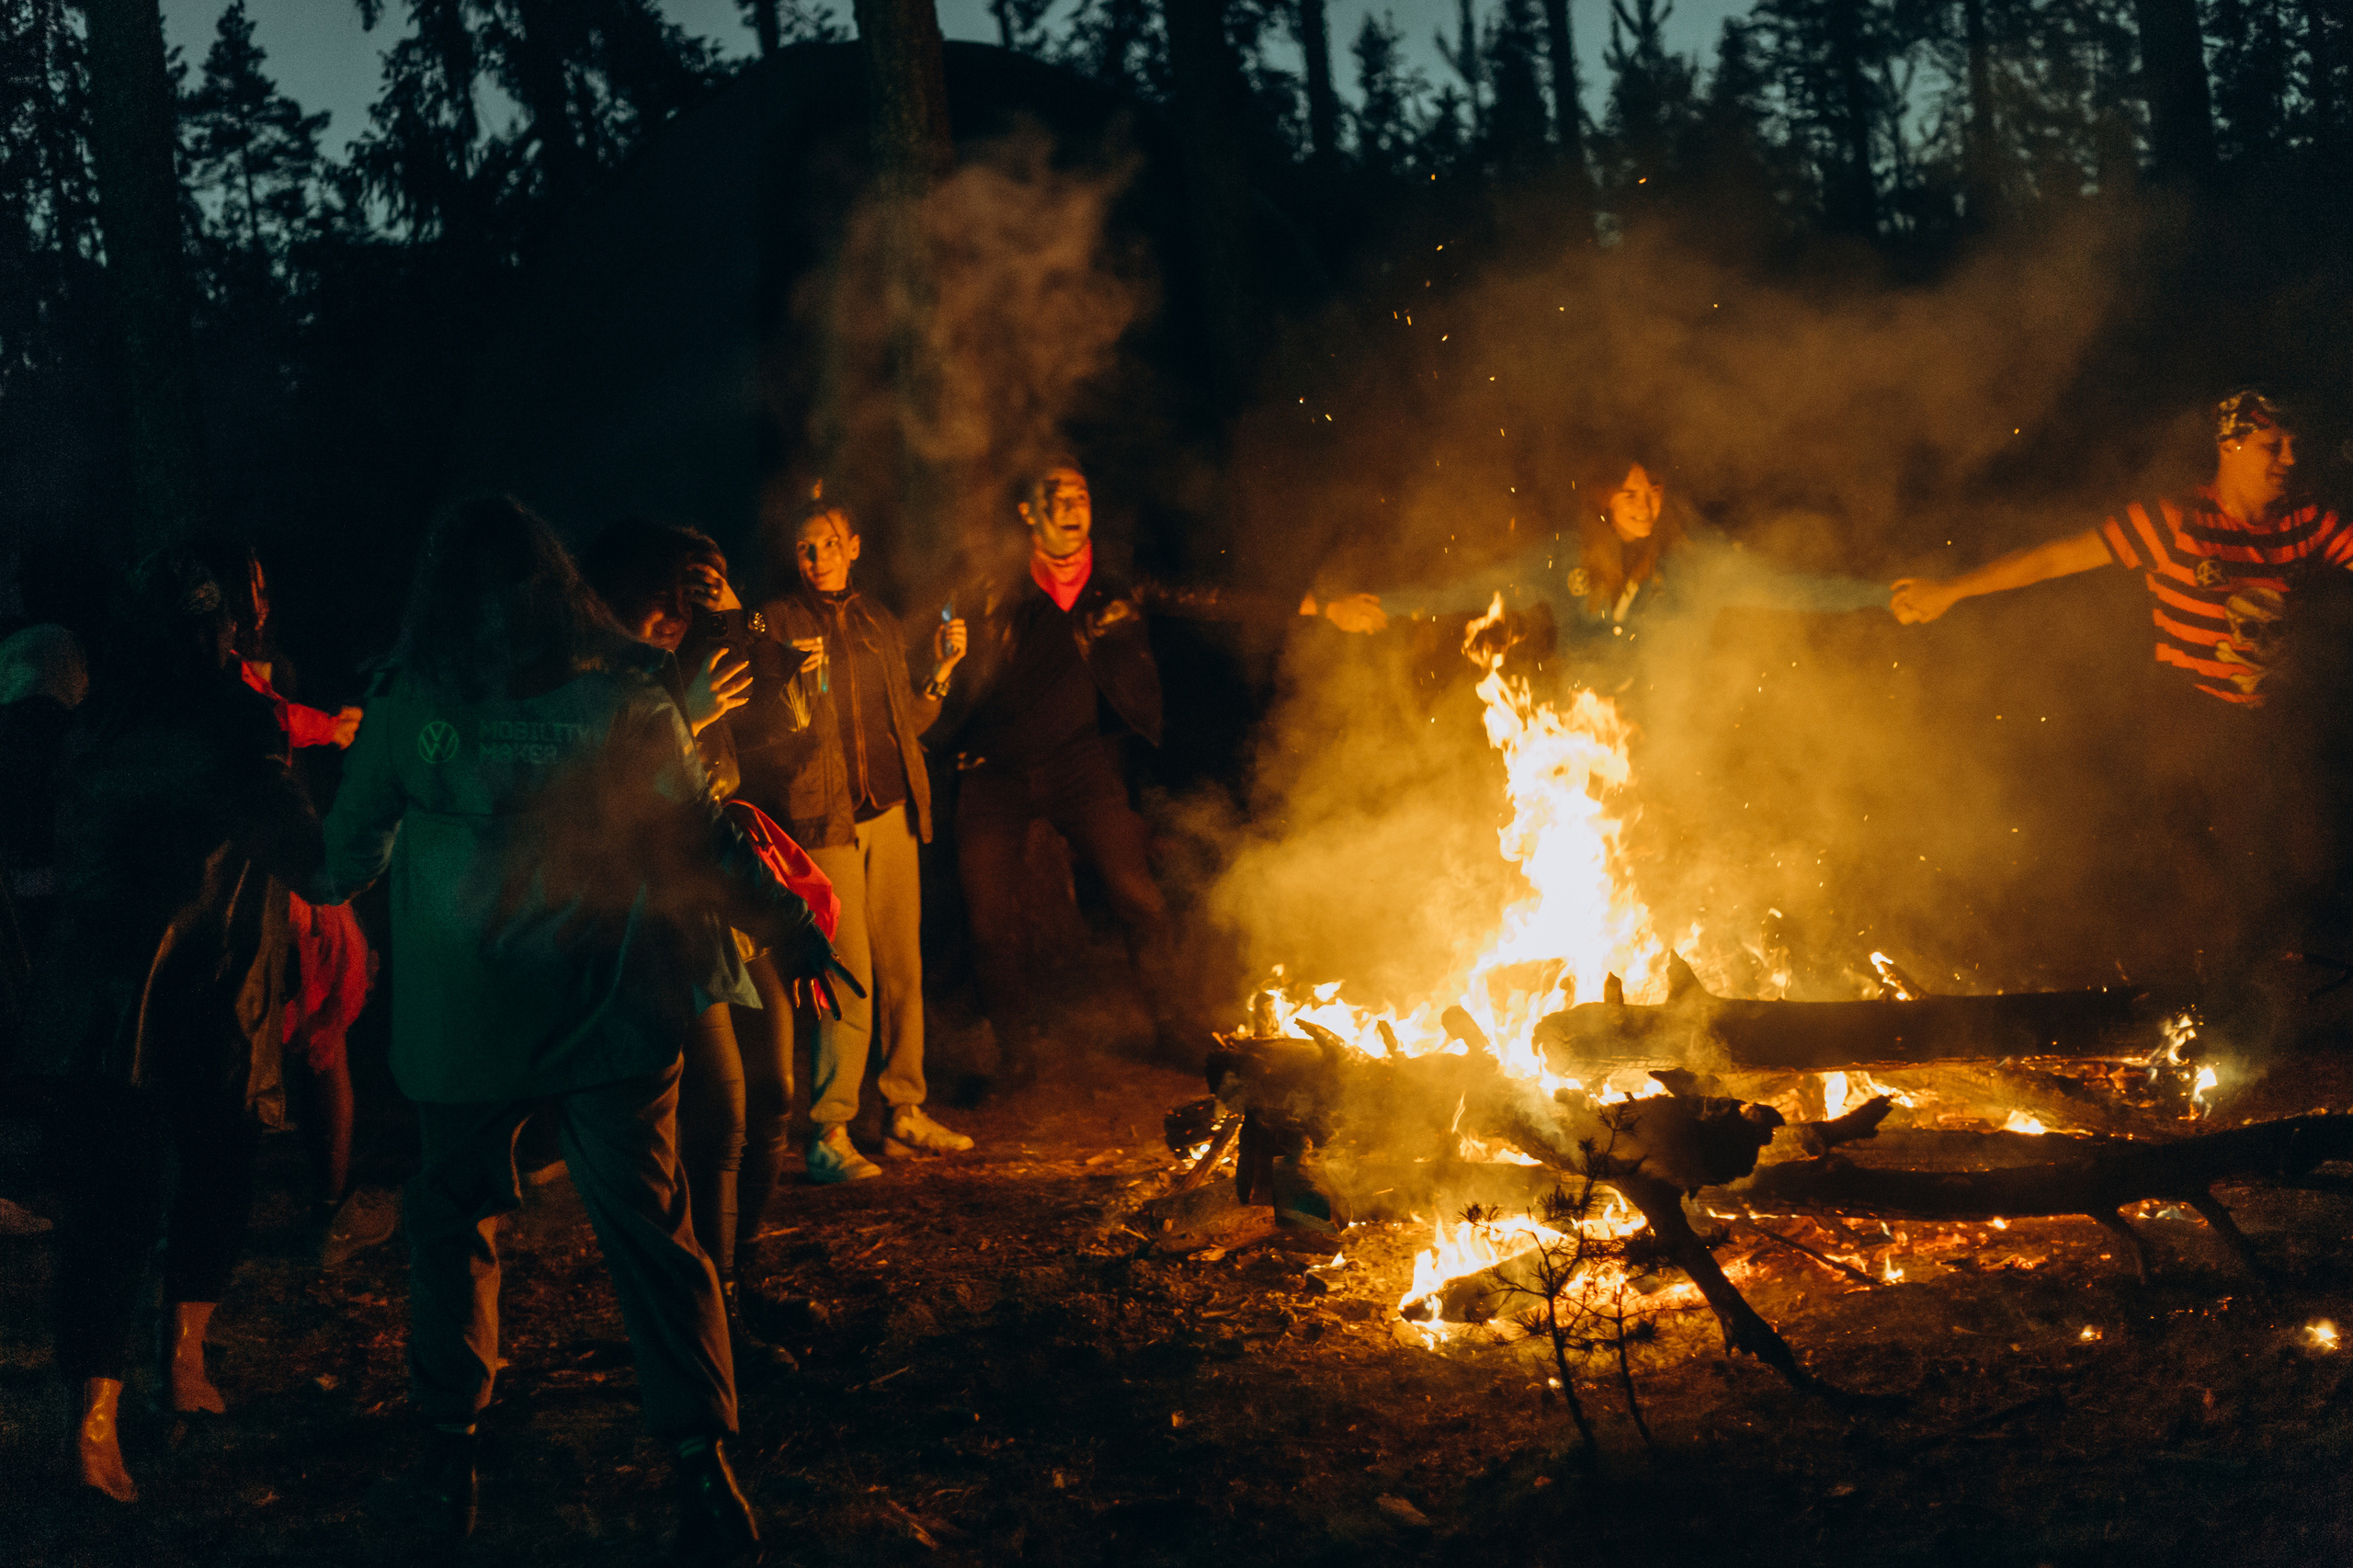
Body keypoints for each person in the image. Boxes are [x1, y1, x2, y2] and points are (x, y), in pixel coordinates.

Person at [313, 495, 854, 1553]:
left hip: (468, 1019)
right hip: (607, 1009)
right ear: (556, 584)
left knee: (454, 1225)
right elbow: (696, 836)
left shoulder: (415, 698)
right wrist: (788, 924)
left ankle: (446, 1456)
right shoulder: (622, 700)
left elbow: (342, 857)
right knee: (654, 1232)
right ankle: (705, 1472)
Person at [1890, 390, 2349, 1043]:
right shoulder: (2175, 521)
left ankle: (2240, 994)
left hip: (2265, 725)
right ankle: (2192, 1015)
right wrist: (1952, 592)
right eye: (2273, 445)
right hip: (2188, 718)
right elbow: (2056, 557)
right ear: (2231, 446)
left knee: (2301, 863)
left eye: (2294, 445)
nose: (2290, 458)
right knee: (2204, 878)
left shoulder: (2302, 523)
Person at [19, 550, 325, 1504]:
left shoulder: (96, 716)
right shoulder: (234, 715)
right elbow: (303, 850)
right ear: (220, 626)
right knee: (209, 1172)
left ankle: (98, 1417)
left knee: (112, 1204)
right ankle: (175, 1367)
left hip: (99, 996)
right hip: (204, 988)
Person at [944, 460, 1387, 1079]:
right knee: (988, 922)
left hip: (1081, 766)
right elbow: (936, 633)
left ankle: (1174, 1030)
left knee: (1140, 899)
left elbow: (1206, 596)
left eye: (1081, 496)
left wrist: (1320, 606)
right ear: (1030, 513)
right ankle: (1018, 1053)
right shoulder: (995, 582)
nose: (1074, 508)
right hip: (994, 770)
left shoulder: (1114, 581)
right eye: (1057, 498)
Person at [578, 518, 802, 1368]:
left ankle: (739, 1282)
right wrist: (689, 711)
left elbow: (785, 703)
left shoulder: (687, 660)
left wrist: (740, 612)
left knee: (777, 1090)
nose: (681, 613)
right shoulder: (607, 674)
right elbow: (612, 795)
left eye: (695, 597)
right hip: (659, 910)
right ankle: (714, 1318)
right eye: (672, 594)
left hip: (723, 897)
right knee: (722, 1112)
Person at [747, 499, 971, 1182]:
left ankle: (903, 1114)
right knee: (848, 973)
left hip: (892, 814)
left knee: (903, 968)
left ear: (854, 547)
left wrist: (941, 671)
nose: (815, 559)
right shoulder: (774, 621)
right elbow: (762, 730)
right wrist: (790, 689)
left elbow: (911, 722)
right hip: (824, 821)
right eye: (804, 548)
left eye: (827, 545)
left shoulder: (879, 620)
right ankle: (830, 1130)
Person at [189, 536, 385, 1267]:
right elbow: (260, 724)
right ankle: (290, 1217)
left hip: (266, 880)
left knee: (308, 1042)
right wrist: (328, 725)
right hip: (263, 882)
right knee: (286, 1044)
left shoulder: (244, 673)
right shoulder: (220, 683)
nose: (264, 603)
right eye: (254, 589)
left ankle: (320, 1211)